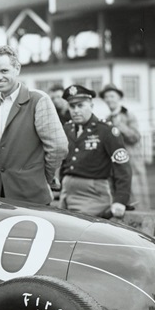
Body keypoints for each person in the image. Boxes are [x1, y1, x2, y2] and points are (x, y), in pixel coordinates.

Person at [0, 45, 68, 205]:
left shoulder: (38, 100)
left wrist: (43, 177)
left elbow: (58, 147)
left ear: (17, 69)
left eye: (4, 71)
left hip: (31, 196)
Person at [58, 85, 132, 217]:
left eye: (80, 106)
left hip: (92, 195)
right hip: (66, 193)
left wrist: (120, 200)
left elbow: (122, 167)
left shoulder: (105, 130)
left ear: (91, 106)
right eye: (72, 106)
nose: (76, 111)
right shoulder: (67, 129)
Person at [100, 83, 150, 208]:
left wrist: (120, 126)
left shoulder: (129, 116)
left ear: (119, 98)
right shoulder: (107, 119)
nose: (109, 99)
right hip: (115, 163)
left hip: (132, 161)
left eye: (112, 96)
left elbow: (135, 137)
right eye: (106, 97)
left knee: (136, 193)